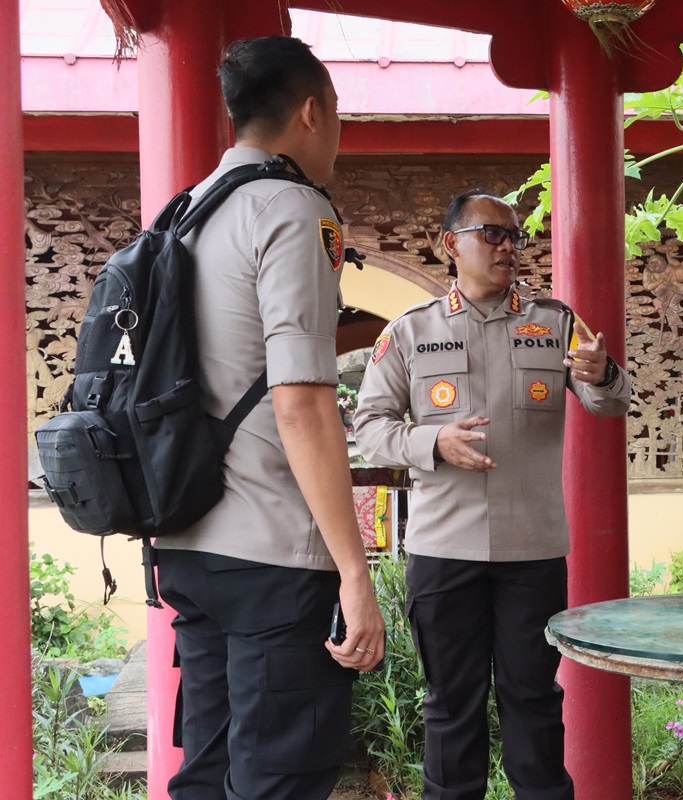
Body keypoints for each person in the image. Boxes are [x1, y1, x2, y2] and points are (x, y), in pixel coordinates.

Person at [151, 36, 385, 800]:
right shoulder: (293, 209)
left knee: (209, 774)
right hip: (274, 556)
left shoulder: (185, 210)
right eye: (338, 112)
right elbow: (303, 401)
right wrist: (355, 571)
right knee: (280, 776)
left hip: (187, 539)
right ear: (312, 110)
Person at [354, 189, 631, 800]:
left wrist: (602, 373)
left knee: (533, 699)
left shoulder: (554, 321)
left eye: (515, 237)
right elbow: (370, 429)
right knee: (450, 705)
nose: (509, 247)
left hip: (530, 552)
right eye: (493, 235)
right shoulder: (410, 332)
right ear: (452, 245)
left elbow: (610, 402)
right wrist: (433, 441)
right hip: (443, 551)